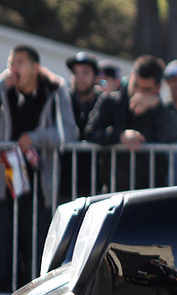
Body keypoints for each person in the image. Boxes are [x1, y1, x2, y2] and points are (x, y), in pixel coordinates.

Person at [0, 44, 78, 292]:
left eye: (20, 62)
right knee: (1, 255)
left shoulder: (54, 89)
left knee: (36, 254)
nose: (13, 68)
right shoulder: (3, 89)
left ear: (35, 67)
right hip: (2, 187)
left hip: (39, 188)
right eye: (11, 62)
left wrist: (36, 137)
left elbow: (70, 132)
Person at [85, 55, 177, 191]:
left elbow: (173, 135)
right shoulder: (110, 102)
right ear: (131, 76)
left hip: (152, 190)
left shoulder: (163, 109)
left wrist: (157, 106)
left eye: (146, 89)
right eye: (136, 85)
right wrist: (119, 136)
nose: (138, 92)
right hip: (115, 190)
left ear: (158, 87)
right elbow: (90, 132)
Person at [64, 51, 101, 199]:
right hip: (65, 183)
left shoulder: (104, 102)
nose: (79, 77)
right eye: (75, 72)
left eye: (85, 72)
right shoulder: (63, 101)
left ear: (95, 77)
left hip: (96, 183)